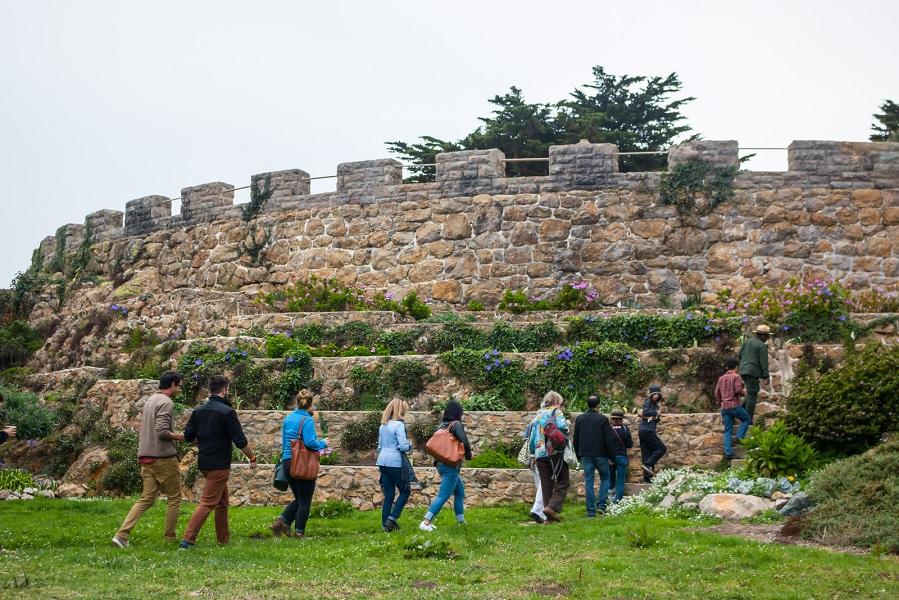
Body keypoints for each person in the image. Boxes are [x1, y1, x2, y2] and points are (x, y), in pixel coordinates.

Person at [179, 376, 255, 549]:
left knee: (222, 503)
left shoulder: (198, 410)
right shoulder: (227, 412)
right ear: (224, 389)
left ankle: (223, 540)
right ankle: (187, 540)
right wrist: (252, 457)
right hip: (219, 464)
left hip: (204, 462)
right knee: (207, 503)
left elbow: (189, 436)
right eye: (228, 389)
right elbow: (240, 440)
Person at [112, 371, 185, 548]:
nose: (180, 388)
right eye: (179, 385)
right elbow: (161, 431)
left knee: (146, 498)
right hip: (163, 458)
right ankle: (169, 538)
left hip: (146, 457)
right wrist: (179, 436)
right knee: (175, 497)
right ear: (173, 384)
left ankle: (122, 535)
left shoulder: (150, 400)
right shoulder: (166, 402)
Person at [271, 391, 328, 539]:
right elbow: (310, 443)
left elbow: (285, 443)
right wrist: (323, 443)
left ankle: (282, 523)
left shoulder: (288, 419)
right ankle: (299, 532)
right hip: (302, 464)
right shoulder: (307, 420)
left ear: (297, 402)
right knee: (305, 500)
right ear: (310, 403)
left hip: (288, 463)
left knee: (299, 498)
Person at [418, 399, 471, 531]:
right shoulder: (456, 424)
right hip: (451, 466)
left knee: (459, 492)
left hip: (441, 464)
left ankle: (461, 521)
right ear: (458, 413)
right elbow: (464, 441)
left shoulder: (441, 426)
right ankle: (425, 522)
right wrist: (469, 455)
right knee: (443, 495)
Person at [528, 391, 570, 523]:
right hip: (554, 451)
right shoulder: (556, 412)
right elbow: (563, 427)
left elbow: (532, 436)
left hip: (540, 453)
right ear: (557, 401)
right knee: (563, 481)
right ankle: (552, 507)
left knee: (546, 484)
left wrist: (533, 453)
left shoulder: (538, 415)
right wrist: (568, 423)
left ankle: (548, 519)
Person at [573, 395, 619, 516]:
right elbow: (608, 439)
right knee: (605, 477)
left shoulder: (580, 419)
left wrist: (578, 455)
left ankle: (591, 511)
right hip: (600, 454)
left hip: (585, 455)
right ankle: (601, 505)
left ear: (587, 404)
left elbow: (576, 438)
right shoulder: (602, 419)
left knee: (589, 481)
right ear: (598, 405)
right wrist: (612, 456)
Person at [375, 398, 412, 532]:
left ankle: (386, 525)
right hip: (394, 461)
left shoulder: (383, 425)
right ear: (400, 410)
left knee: (389, 494)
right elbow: (403, 446)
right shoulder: (399, 425)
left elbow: (379, 446)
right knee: (405, 490)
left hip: (382, 461)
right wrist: (410, 446)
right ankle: (392, 518)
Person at [716, 357, 751, 459]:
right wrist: (745, 393)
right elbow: (738, 390)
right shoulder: (736, 376)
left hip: (724, 408)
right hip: (734, 406)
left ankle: (728, 453)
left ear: (727, 367)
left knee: (728, 430)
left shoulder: (721, 378)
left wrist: (720, 401)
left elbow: (716, 393)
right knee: (746, 419)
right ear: (737, 366)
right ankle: (740, 437)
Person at [738, 324, 771, 422]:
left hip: (743, 370)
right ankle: (747, 419)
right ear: (762, 335)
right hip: (752, 371)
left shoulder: (747, 342)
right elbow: (763, 362)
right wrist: (766, 376)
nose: (768, 338)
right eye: (767, 336)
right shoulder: (762, 345)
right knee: (752, 395)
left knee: (750, 393)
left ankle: (739, 412)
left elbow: (740, 355)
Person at [638, 385, 667, 483]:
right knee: (661, 448)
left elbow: (655, 419)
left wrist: (658, 415)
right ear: (651, 395)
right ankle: (648, 464)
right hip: (646, 431)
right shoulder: (648, 402)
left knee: (647, 453)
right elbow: (645, 413)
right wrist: (656, 412)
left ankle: (647, 478)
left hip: (645, 430)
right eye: (654, 394)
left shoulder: (655, 405)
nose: (656, 396)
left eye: (657, 394)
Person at [608, 409, 633, 503]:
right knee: (621, 480)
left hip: (610, 457)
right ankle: (617, 501)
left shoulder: (608, 429)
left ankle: (609, 498)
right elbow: (629, 445)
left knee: (610, 478)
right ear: (621, 419)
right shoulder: (625, 429)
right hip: (622, 456)